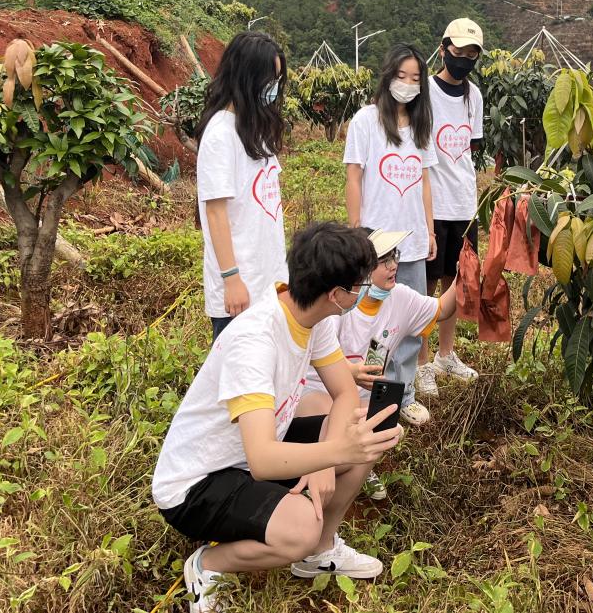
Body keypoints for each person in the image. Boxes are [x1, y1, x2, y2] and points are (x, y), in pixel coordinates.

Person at [152, 222, 405, 612]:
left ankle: (320, 551)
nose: (364, 291)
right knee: (303, 525)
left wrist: (328, 459)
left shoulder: (310, 317)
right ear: (336, 295)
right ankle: (208, 564)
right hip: (199, 483)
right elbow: (262, 460)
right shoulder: (254, 341)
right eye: (360, 285)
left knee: (363, 431)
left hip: (252, 454)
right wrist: (335, 452)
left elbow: (342, 392)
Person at [300, 227, 462, 499]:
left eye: (394, 256)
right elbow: (312, 358)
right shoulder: (338, 305)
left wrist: (463, 276)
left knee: (387, 427)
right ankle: (318, 470)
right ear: (361, 269)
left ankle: (352, 466)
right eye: (384, 260)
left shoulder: (400, 298)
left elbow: (443, 309)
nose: (393, 265)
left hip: (360, 401)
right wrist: (349, 372)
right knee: (340, 422)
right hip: (319, 394)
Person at [343, 44, 438, 424]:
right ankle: (374, 397)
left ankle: (405, 395)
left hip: (411, 241)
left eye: (416, 78)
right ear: (388, 76)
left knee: (409, 325)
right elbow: (353, 176)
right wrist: (356, 231)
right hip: (377, 241)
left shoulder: (421, 126)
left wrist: (430, 230)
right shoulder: (365, 121)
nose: (408, 84)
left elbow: (425, 181)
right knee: (371, 324)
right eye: (402, 76)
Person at [195, 31, 289, 341]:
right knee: (238, 367)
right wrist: (231, 279)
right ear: (247, 77)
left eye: (277, 80)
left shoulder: (254, 128)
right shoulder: (221, 135)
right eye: (269, 80)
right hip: (240, 288)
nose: (273, 88)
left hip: (268, 282)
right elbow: (216, 212)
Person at [417, 17, 485, 399]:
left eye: (471, 55)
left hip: (464, 202)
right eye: (458, 51)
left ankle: (446, 354)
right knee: (426, 286)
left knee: (456, 281)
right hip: (432, 204)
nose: (463, 60)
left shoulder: (474, 96)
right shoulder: (425, 92)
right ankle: (422, 362)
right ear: (444, 49)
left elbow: (470, 149)